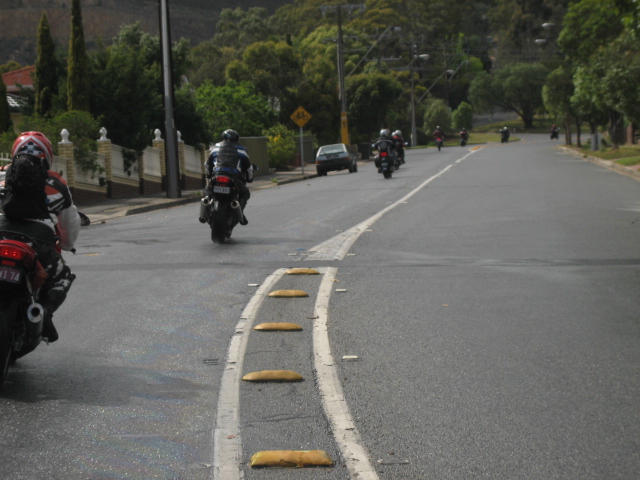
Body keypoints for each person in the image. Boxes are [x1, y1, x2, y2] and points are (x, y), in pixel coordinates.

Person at [0, 131, 80, 343]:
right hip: (38, 245)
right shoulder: (57, 184)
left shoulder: (1, 176)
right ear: (47, 156)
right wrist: (66, 244)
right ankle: (43, 313)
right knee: (63, 276)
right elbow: (69, 224)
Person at [204, 129, 253, 225]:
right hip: (233, 177)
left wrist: (208, 174)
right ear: (236, 138)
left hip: (217, 176)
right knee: (245, 193)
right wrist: (250, 178)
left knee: (207, 191)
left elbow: (207, 164)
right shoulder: (242, 150)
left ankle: (204, 212)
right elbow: (249, 168)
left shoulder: (216, 147)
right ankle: (240, 214)